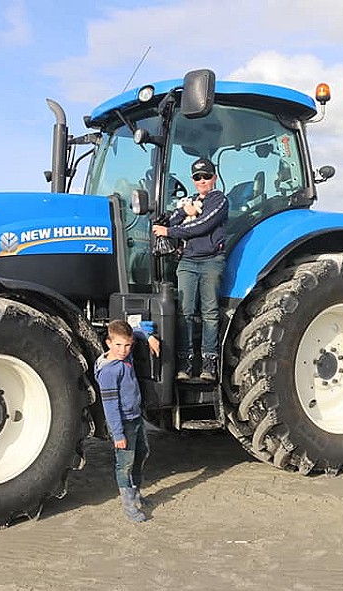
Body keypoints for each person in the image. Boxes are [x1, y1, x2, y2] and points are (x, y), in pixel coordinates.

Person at [152, 157, 229, 381]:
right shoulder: (190, 202)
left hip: (211, 261)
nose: (202, 181)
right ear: (193, 180)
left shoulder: (220, 201)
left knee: (210, 313)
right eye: (197, 177)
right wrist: (184, 211)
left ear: (214, 178)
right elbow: (171, 220)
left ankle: (209, 364)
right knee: (185, 312)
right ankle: (184, 364)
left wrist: (171, 233)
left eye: (206, 176)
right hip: (187, 262)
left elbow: (202, 225)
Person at [94, 319, 160, 522]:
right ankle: (129, 506)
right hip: (123, 422)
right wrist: (119, 434)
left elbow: (138, 328)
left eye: (128, 345)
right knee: (124, 464)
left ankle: (136, 491)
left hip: (135, 416)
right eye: (118, 345)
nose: (124, 350)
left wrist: (148, 336)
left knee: (142, 452)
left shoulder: (125, 355)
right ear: (108, 343)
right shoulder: (109, 371)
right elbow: (110, 406)